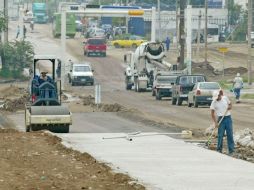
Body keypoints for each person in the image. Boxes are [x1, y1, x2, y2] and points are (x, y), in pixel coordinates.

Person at [210, 91, 234, 155]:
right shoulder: (214, 102)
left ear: (219, 95)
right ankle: (219, 149)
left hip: (228, 118)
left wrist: (230, 107)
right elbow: (212, 114)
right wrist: (215, 123)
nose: (217, 99)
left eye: (217, 97)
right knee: (220, 135)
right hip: (221, 119)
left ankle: (231, 150)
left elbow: (230, 104)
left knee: (230, 134)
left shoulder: (225, 98)